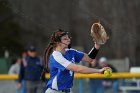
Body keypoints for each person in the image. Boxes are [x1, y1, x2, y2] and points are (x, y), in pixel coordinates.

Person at [43, 29, 109, 93]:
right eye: (65, 39)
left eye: (68, 38)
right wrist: (98, 71)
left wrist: (97, 44)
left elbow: (90, 58)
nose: (68, 40)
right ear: (58, 43)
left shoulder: (71, 52)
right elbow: (77, 69)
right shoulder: (56, 56)